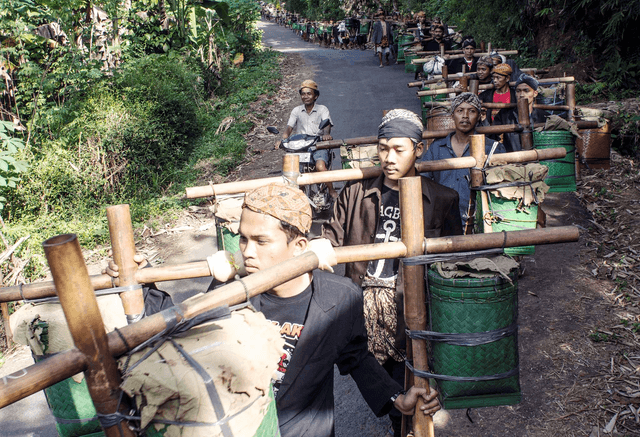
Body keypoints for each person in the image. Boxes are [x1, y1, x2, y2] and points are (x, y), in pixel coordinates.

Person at [239, 183, 441, 437]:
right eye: (243, 239)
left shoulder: (338, 298)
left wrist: (396, 397)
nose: (247, 252)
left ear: (299, 246)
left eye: (261, 241)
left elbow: (355, 356)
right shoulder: (233, 297)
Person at [322, 109, 461, 437]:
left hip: (409, 310)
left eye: (399, 149)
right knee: (379, 379)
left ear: (418, 149)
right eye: (383, 148)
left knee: (411, 379)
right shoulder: (356, 193)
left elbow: (453, 266)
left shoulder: (442, 200)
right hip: (364, 307)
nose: (389, 157)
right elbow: (329, 238)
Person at [419, 93, 506, 231]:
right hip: (443, 219)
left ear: (479, 116)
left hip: (480, 219)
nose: (465, 116)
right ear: (452, 115)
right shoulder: (437, 147)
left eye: (471, 111)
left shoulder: (492, 148)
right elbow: (424, 181)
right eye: (460, 111)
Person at [279, 80, 338, 198]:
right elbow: (289, 128)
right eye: (303, 94)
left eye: (309, 94)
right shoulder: (296, 110)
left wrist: (326, 134)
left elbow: (326, 124)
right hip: (300, 147)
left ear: (315, 96)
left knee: (320, 167)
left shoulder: (322, 109)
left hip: (318, 145)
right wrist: (282, 140)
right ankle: (299, 196)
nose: (305, 96)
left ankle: (331, 190)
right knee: (293, 172)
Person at [493, 74, 550, 152]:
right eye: (518, 91)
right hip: (512, 158)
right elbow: (491, 136)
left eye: (526, 91)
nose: (522, 95)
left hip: (537, 157)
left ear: (535, 93)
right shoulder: (504, 114)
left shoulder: (544, 116)